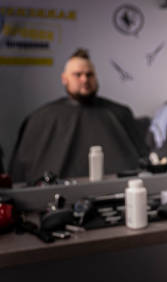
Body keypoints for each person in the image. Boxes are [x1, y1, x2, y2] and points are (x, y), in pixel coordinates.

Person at [9, 49, 147, 183]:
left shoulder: (120, 113)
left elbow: (143, 161)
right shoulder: (40, 118)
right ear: (64, 79)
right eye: (78, 74)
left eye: (89, 74)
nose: (84, 79)